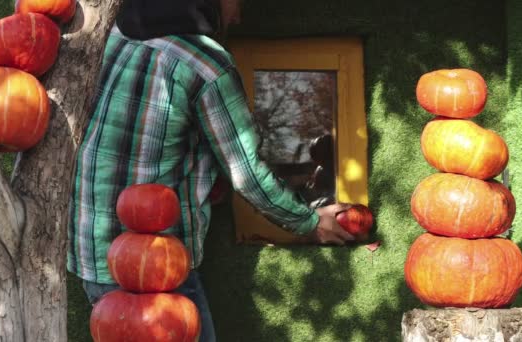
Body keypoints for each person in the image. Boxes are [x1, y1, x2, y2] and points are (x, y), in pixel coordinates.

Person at [67, 0, 354, 340]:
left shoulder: (112, 36)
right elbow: (245, 171)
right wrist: (309, 221)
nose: (239, 14)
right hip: (155, 267)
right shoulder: (205, 65)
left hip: (91, 252)